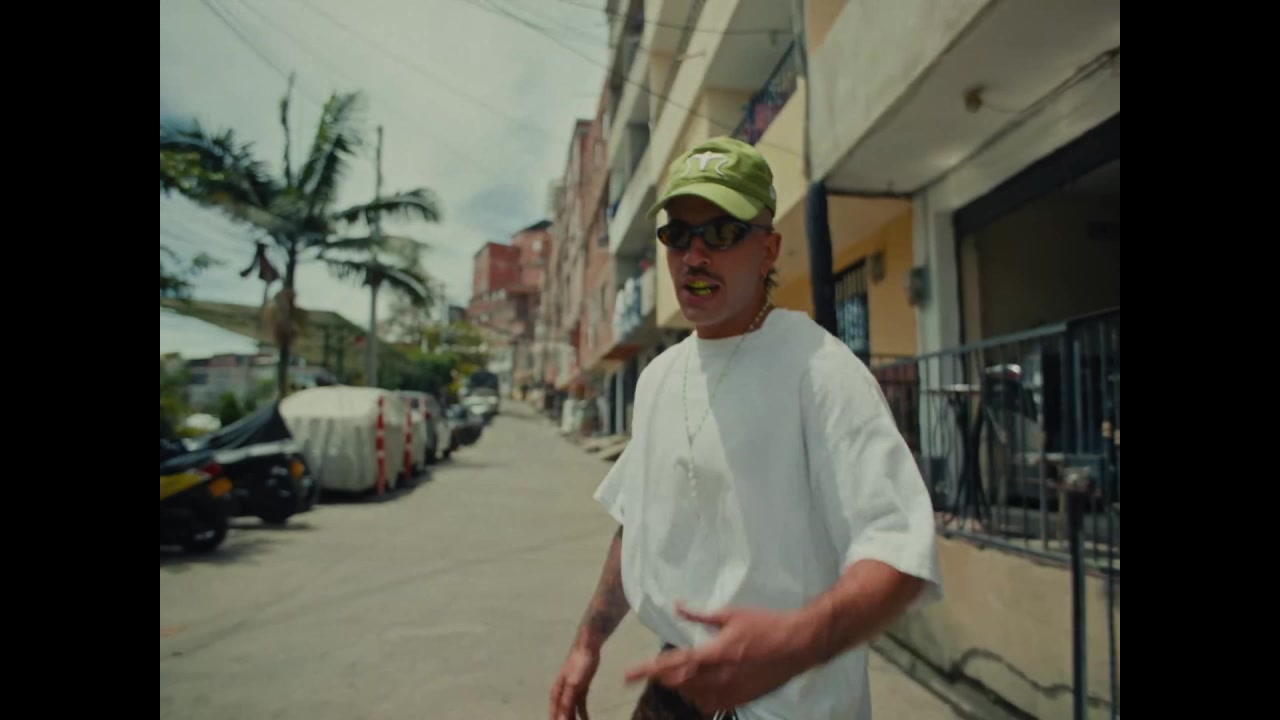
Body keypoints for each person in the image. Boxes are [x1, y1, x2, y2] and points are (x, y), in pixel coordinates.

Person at [549, 137, 943, 720]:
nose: (694, 255)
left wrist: (793, 645)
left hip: (795, 703)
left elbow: (899, 552)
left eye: (723, 232)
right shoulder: (658, 377)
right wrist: (587, 642)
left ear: (768, 250)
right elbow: (636, 520)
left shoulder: (820, 369)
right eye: (678, 234)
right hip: (680, 684)